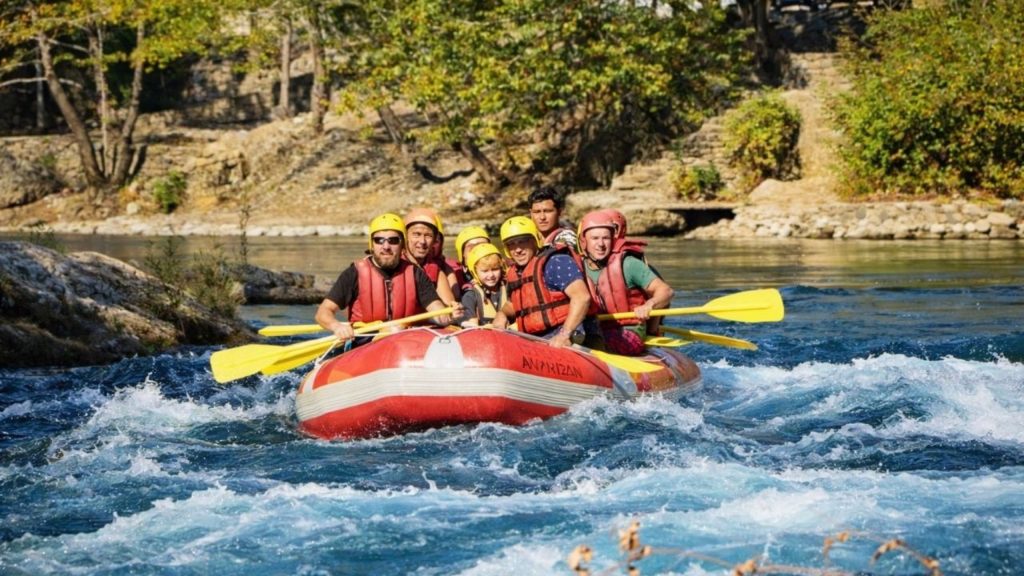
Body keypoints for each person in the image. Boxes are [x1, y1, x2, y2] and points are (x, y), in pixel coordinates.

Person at [315, 213, 462, 345]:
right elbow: (323, 312)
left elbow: (436, 310)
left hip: (403, 338)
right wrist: (337, 326)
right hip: (363, 340)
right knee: (393, 330)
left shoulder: (415, 273)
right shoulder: (354, 273)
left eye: (393, 240)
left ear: (402, 244)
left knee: (395, 330)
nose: (386, 246)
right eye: (379, 240)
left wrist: (449, 316)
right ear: (371, 244)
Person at [576, 210, 673, 356]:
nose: (600, 244)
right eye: (595, 238)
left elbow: (666, 291)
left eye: (605, 238)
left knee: (595, 341)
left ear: (613, 240)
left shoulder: (628, 264)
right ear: (584, 242)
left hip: (629, 331)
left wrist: (648, 305)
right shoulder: (576, 267)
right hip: (595, 329)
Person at [492, 216, 592, 348]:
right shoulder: (514, 272)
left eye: (523, 241)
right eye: (511, 244)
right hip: (536, 338)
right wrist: (502, 314)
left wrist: (564, 334)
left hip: (569, 334)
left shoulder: (555, 262)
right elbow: (513, 303)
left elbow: (582, 297)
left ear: (535, 241)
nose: (517, 249)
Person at [403, 208, 461, 302]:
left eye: (428, 236)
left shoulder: (436, 271)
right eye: (416, 234)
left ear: (434, 240)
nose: (422, 241)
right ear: (406, 236)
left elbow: (449, 305)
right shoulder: (393, 264)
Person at [459, 242, 512, 328]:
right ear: (475, 272)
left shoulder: (509, 288)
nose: (491, 275)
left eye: (495, 269)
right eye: (485, 271)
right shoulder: (470, 296)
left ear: (501, 268)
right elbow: (471, 326)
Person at [452, 225, 491, 290]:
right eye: (472, 248)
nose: (478, 252)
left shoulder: (504, 274)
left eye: (483, 246)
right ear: (462, 254)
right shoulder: (454, 279)